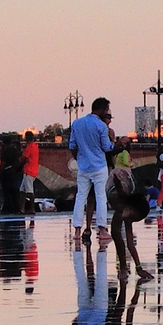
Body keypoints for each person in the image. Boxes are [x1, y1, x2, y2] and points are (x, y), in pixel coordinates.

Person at [68, 97, 114, 244]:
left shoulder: (77, 123)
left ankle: (77, 230)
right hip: (99, 166)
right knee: (101, 197)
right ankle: (101, 229)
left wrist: (80, 158)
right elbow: (107, 147)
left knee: (80, 197)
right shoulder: (101, 126)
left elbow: (72, 145)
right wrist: (116, 144)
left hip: (83, 166)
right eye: (106, 110)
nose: (107, 112)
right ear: (101, 110)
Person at [107, 161, 152, 281]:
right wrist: (116, 178)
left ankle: (123, 267)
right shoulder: (121, 197)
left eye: (133, 220)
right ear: (131, 206)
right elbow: (120, 188)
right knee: (115, 233)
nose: (130, 220)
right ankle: (122, 267)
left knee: (116, 233)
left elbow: (130, 244)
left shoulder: (127, 213)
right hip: (115, 181)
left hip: (123, 182)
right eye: (132, 217)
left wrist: (139, 268)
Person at [0, 134, 23, 216]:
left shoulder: (5, 150)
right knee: (14, 191)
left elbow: (3, 163)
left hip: (6, 173)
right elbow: (19, 160)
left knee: (6, 191)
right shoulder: (15, 149)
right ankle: (16, 208)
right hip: (13, 172)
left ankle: (8, 208)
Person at [21, 131, 40, 215]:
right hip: (33, 170)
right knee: (22, 190)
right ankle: (22, 208)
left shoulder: (29, 147)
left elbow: (24, 159)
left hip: (28, 171)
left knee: (29, 191)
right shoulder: (35, 147)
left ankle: (32, 209)